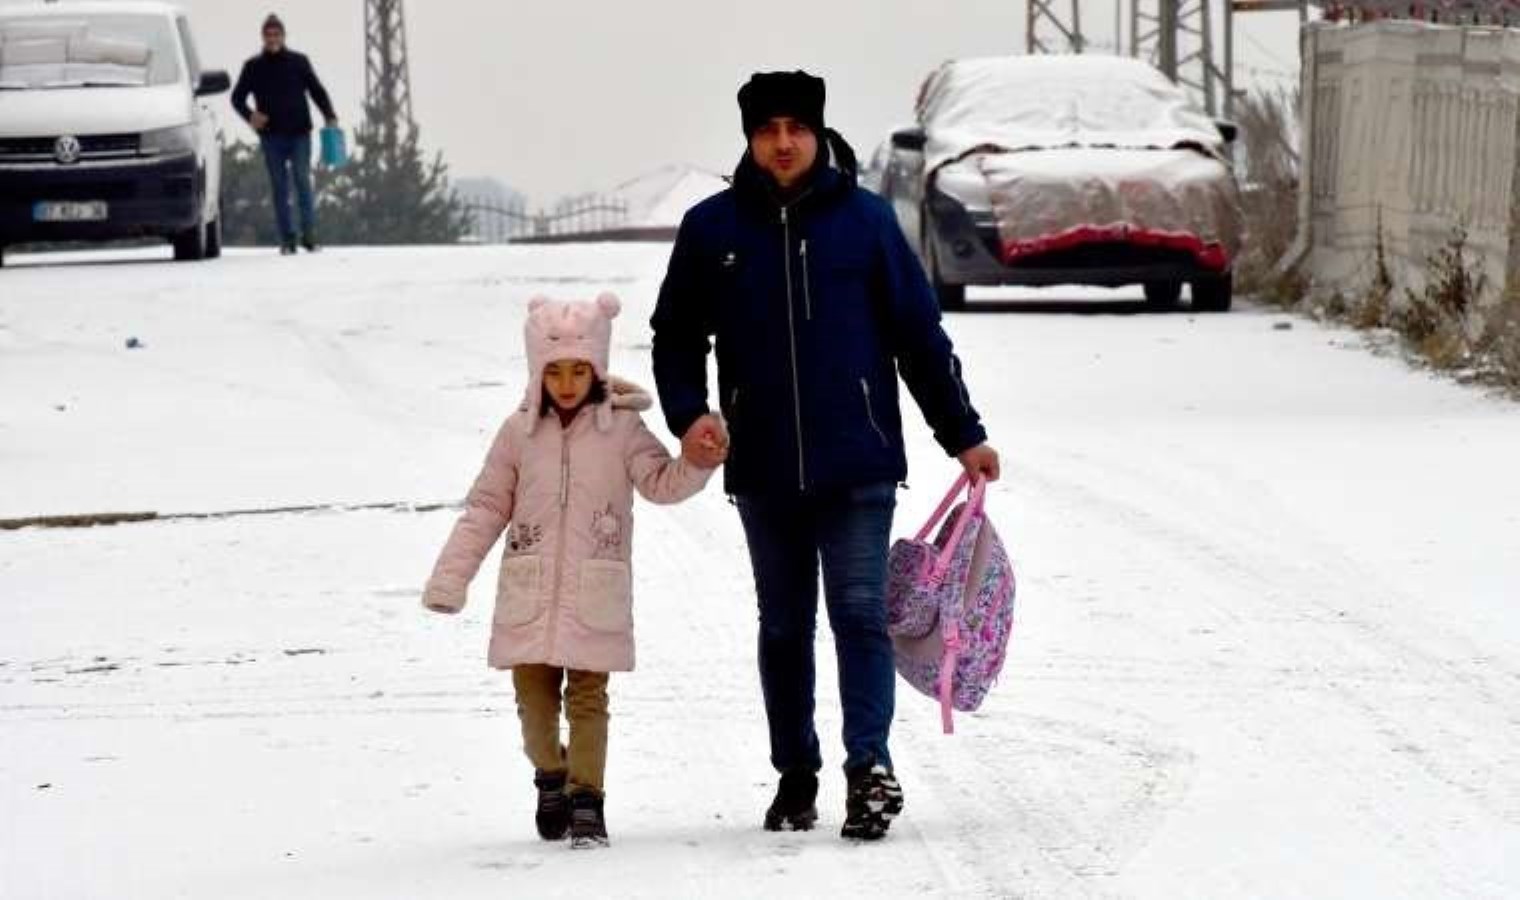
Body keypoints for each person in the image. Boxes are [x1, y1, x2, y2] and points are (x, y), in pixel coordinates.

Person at [650, 71, 1001, 842]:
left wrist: (963, 434)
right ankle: (796, 773)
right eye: (767, 129)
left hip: (859, 461)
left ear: (817, 132)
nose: (783, 142)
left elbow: (919, 339)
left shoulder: (868, 223)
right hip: (764, 466)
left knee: (858, 614)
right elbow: (676, 336)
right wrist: (690, 415)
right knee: (783, 626)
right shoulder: (714, 230)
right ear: (748, 137)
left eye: (796, 128)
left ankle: (868, 768)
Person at [422, 293, 724, 849]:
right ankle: (550, 775)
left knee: (587, 701)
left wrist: (697, 464)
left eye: (578, 370)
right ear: (537, 370)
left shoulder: (623, 431)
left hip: (594, 595)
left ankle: (588, 799)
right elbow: (487, 507)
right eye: (554, 370)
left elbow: (660, 483)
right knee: (534, 707)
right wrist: (450, 579)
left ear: (597, 368)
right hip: (530, 596)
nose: (565, 381)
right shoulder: (518, 433)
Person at [231, 14, 338, 255]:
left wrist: (329, 115)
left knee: (302, 183)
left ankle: (308, 237)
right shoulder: (253, 66)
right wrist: (250, 116)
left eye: (276, 34)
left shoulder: (299, 62)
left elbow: (316, 91)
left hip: (300, 133)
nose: (272, 39)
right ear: (263, 37)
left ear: (283, 36)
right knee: (280, 188)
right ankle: (288, 240)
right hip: (271, 137)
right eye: (268, 35)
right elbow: (236, 98)